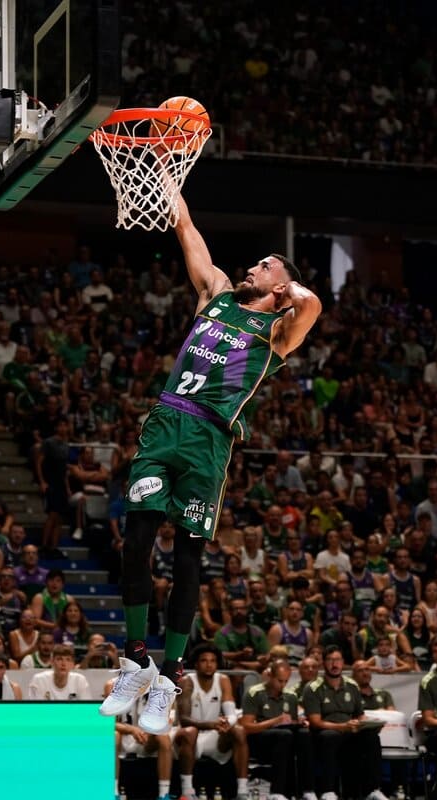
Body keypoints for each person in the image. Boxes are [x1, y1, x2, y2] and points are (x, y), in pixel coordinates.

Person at [101, 192, 322, 734]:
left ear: (278, 285)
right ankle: (136, 658)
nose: (251, 266)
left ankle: (169, 677)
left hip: (209, 439)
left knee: (188, 561)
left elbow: (311, 303)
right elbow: (185, 225)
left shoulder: (277, 331)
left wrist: (285, 286)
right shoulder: (216, 294)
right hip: (166, 423)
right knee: (135, 541)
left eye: (263, 265)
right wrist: (169, 170)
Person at [302, 645, 387, 800]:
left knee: (371, 737)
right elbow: (315, 722)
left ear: (343, 662)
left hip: (349, 732)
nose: (334, 664)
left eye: (338, 660)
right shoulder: (312, 688)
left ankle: (372, 790)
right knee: (330, 736)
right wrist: (341, 727)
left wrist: (367, 724)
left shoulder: (352, 686)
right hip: (324, 733)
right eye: (330, 660)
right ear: (323, 663)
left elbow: (359, 715)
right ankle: (328, 790)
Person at [173, 644, 251, 800]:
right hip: (188, 739)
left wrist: (226, 723)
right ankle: (187, 791)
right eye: (204, 661)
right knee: (190, 732)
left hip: (214, 735)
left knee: (239, 731)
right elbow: (184, 720)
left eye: (213, 661)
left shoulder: (223, 680)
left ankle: (243, 790)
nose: (209, 665)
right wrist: (212, 724)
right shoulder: (186, 682)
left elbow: (231, 713)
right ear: (196, 664)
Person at [240, 659, 318, 800]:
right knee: (284, 735)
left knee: (304, 734)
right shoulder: (254, 693)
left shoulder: (291, 696)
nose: (282, 685)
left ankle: (308, 790)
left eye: (286, 681)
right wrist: (275, 721)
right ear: (270, 676)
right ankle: (277, 792)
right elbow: (246, 727)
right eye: (279, 681)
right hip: (258, 740)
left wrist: (299, 722)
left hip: (284, 739)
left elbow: (290, 722)